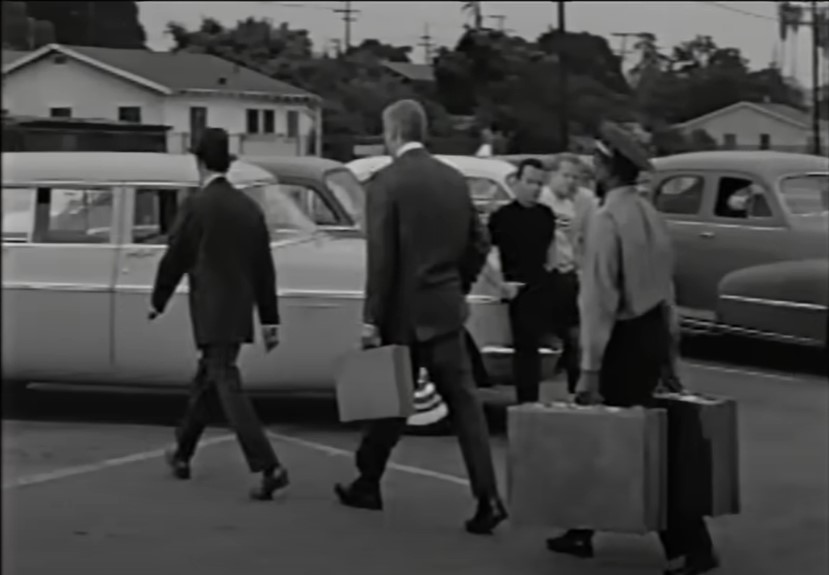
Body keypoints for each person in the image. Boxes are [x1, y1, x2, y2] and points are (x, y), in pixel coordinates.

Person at [545, 121, 719, 575]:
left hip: (621, 341)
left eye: (596, 161)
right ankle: (581, 527)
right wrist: (670, 351)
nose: (591, 167)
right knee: (612, 437)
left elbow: (599, 298)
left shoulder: (606, 220)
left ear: (606, 168)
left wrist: (589, 368)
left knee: (639, 444)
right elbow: (666, 290)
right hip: (652, 332)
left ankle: (691, 544)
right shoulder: (648, 214)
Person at [334, 99, 508, 535]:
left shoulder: (385, 183)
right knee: (465, 406)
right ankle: (487, 496)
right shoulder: (453, 179)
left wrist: (371, 317)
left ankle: (368, 479)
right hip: (444, 308)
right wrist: (457, 284)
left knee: (389, 399)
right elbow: (479, 242)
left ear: (393, 133)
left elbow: (382, 259)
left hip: (402, 312)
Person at [150, 128, 289, 501]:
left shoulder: (196, 206)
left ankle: (267, 465)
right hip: (239, 309)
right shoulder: (248, 208)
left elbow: (176, 256)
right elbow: (263, 268)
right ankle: (183, 452)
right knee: (207, 380)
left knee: (224, 380)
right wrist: (270, 318)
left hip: (210, 310)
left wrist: (158, 299)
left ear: (199, 162)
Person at [487, 158, 556, 404]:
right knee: (525, 349)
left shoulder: (546, 215)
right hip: (516, 286)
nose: (535, 188)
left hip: (541, 285)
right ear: (516, 182)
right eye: (530, 182)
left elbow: (551, 251)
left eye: (539, 183)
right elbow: (489, 253)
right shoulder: (502, 216)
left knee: (537, 348)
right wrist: (500, 283)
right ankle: (526, 401)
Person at [539, 153, 598, 394]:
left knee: (575, 335)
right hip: (545, 275)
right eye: (566, 176)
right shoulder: (543, 200)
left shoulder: (577, 203)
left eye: (575, 177)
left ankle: (576, 389)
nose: (571, 182)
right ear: (552, 175)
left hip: (567, 275)